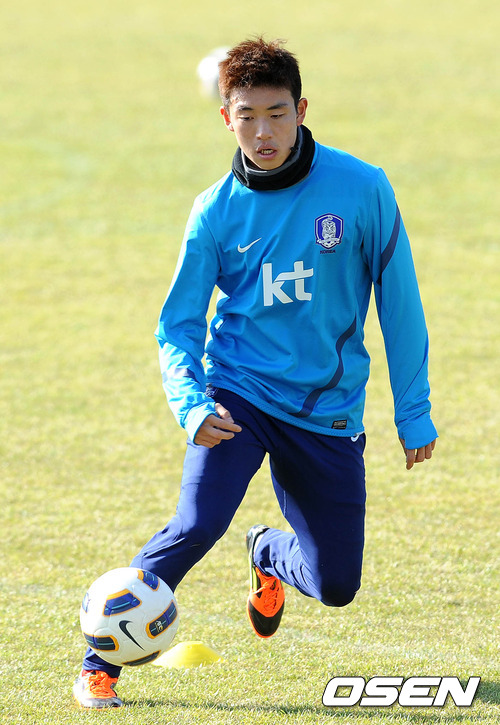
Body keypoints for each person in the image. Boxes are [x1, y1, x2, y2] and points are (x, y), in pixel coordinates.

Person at [73, 37, 437, 708]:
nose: (263, 133)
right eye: (247, 116)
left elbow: (401, 304)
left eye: (277, 114)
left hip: (326, 409)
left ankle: (268, 552)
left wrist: (413, 411)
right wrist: (191, 404)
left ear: (302, 111)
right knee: (196, 522)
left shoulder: (363, 189)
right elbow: (177, 327)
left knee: (336, 585)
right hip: (237, 393)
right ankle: (101, 661)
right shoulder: (214, 211)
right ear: (226, 118)